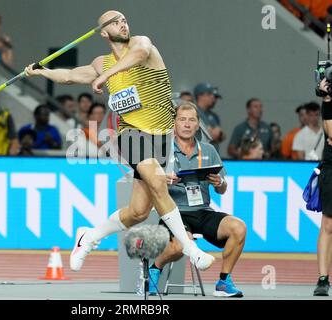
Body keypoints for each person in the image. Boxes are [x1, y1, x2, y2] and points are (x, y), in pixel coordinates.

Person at [25, 10, 215, 273]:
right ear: (104, 32)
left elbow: (137, 54)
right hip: (130, 134)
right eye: (115, 22)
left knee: (138, 211)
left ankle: (89, 236)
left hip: (160, 134)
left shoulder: (141, 45)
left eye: (124, 20)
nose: (122, 24)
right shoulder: (100, 64)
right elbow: (70, 76)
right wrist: (42, 72)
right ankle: (190, 249)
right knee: (158, 182)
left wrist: (105, 77)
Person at [148, 103, 246, 297]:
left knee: (239, 227)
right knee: (179, 246)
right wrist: (163, 179)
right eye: (182, 119)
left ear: (198, 124)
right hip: (173, 212)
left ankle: (224, 282)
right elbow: (146, 183)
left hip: (203, 211)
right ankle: (154, 269)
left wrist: (219, 182)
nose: (187, 124)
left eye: (191, 120)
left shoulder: (208, 150)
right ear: (174, 123)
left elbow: (223, 190)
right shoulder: (162, 150)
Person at [313, 78, 332, 296]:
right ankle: (323, 279)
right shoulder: (329, 103)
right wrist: (327, 97)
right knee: (328, 223)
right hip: (331, 167)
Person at [194, 83, 225, 151]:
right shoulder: (193, 112)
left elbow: (222, 136)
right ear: (200, 96)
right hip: (199, 155)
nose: (213, 98)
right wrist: (210, 133)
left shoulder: (214, 115)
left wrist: (218, 134)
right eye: (209, 94)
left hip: (213, 155)